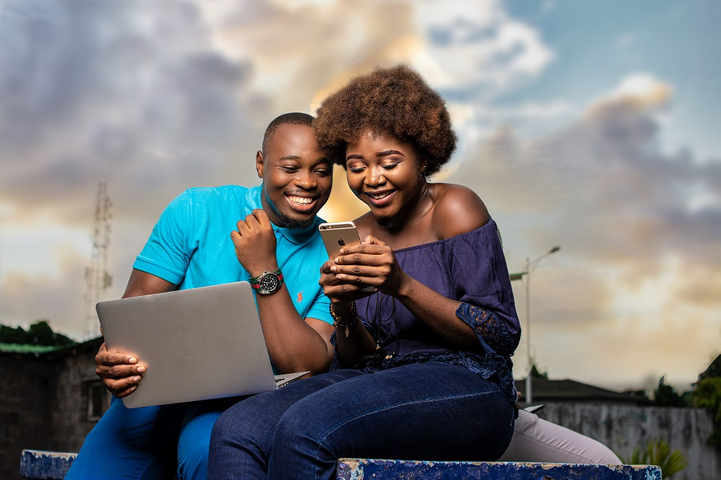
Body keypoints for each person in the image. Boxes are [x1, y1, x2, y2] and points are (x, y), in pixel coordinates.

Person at [208, 65, 522, 479]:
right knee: (237, 428)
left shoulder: (455, 208)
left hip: (468, 388)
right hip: (373, 381)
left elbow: (500, 335)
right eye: (356, 166)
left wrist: (402, 286)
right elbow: (358, 358)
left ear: (423, 156)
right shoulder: (355, 232)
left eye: (389, 162)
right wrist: (344, 308)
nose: (372, 179)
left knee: (305, 429)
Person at [66, 112, 336, 480]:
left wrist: (264, 269)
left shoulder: (332, 251)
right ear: (261, 164)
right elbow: (131, 316)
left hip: (244, 406)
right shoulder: (196, 210)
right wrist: (115, 357)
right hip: (156, 392)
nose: (306, 182)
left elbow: (307, 365)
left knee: (207, 456)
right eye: (290, 167)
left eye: (322, 170)